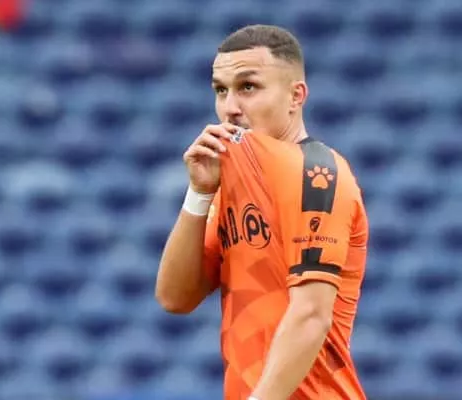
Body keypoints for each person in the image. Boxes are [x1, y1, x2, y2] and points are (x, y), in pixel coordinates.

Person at [155, 24, 368, 400]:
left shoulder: (316, 172)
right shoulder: (233, 178)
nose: (230, 108)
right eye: (221, 90)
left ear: (295, 96)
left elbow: (311, 316)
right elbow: (175, 297)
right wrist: (199, 193)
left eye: (248, 87)